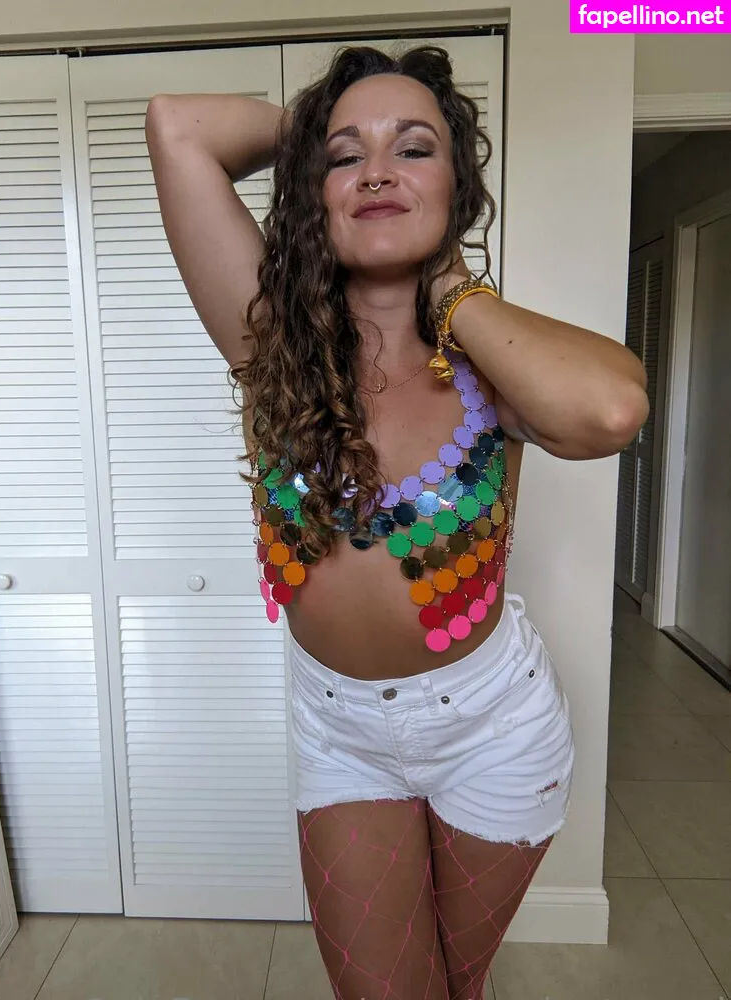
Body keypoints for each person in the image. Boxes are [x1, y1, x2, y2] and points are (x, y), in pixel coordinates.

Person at [146, 44, 648, 1000]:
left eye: (414, 150)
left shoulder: (495, 365)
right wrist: (323, 138)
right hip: (339, 735)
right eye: (347, 157)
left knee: (456, 986)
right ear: (315, 191)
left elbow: (612, 411)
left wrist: (453, 290)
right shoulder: (271, 346)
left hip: (494, 726)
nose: (376, 171)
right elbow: (178, 127)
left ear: (460, 189)